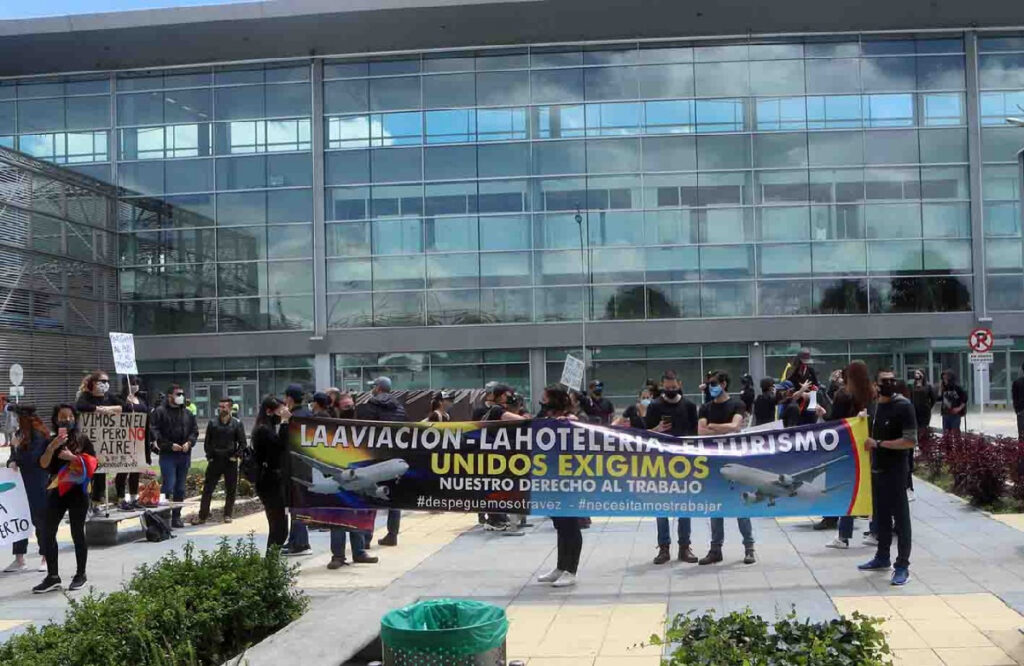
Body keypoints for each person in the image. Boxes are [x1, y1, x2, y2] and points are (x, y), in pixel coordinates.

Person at [858, 368, 917, 586]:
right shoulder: (875, 406)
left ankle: (902, 566)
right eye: (884, 381)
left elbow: (910, 441)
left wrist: (880, 444)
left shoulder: (903, 406)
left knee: (901, 520)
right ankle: (882, 557)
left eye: (893, 380)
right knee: (880, 517)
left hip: (896, 471)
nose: (889, 384)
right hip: (877, 471)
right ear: (875, 385)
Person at [33, 404, 97, 593]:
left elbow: (93, 464)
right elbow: (43, 464)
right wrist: (51, 448)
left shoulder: (82, 439)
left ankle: (80, 574)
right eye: (62, 417)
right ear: (55, 419)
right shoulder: (50, 440)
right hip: (56, 491)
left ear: (75, 419)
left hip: (78, 492)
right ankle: (53, 576)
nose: (67, 420)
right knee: (47, 532)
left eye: (70, 417)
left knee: (77, 532)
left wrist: (73, 458)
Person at [697, 371, 755, 565]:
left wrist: (713, 426)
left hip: (736, 461)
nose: (710, 387)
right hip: (713, 463)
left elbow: (736, 427)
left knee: (741, 505)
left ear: (723, 384)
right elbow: (701, 432)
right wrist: (722, 427)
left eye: (713, 383)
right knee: (715, 507)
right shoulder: (705, 407)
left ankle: (749, 547)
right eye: (708, 384)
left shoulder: (737, 404)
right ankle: (715, 549)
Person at [645, 370, 698, 565]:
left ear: (679, 384)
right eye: (667, 388)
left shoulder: (690, 406)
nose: (670, 390)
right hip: (660, 462)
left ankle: (685, 547)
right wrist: (657, 430)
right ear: (661, 386)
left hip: (684, 462)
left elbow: (696, 435)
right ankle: (664, 547)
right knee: (661, 505)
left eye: (673, 387)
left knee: (684, 505)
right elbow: (644, 434)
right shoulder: (654, 406)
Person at [535, 384, 582, 588]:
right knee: (560, 525)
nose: (543, 402)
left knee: (571, 524)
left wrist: (565, 422)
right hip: (551, 479)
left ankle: (571, 570)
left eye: (545, 398)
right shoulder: (546, 417)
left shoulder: (571, 420)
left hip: (569, 480)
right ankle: (560, 567)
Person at [823, 361, 874, 547]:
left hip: (848, 447)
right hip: (869, 446)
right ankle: (875, 531)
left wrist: (823, 413)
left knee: (848, 491)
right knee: (870, 490)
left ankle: (844, 536)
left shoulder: (843, 395)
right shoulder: (872, 394)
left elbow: (834, 421)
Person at [357, 377, 407, 546]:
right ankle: (392, 534)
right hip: (394, 456)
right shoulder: (400, 407)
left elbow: (362, 429)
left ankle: (366, 538)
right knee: (393, 496)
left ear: (378, 388)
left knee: (370, 495)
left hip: (374, 456)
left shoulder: (370, 405)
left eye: (373, 387)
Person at [4, 406, 51, 574]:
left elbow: (33, 459)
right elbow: (14, 457)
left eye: (15, 418)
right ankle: (19, 558)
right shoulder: (19, 435)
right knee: (19, 518)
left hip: (37, 482)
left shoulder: (38, 435)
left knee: (40, 519)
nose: (12, 422)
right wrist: (12, 461)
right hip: (20, 483)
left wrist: (17, 450)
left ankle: (46, 557)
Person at [191, 397, 246, 526]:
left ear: (230, 408)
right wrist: (209, 456)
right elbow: (207, 442)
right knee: (208, 489)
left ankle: (228, 514)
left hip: (230, 461)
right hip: (215, 460)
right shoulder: (213, 423)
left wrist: (236, 455)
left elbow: (243, 443)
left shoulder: (237, 423)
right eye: (220, 406)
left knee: (231, 489)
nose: (221, 409)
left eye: (224, 407)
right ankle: (202, 516)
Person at [150, 384, 199, 528]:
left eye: (182, 394)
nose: (181, 397)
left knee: (180, 488)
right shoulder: (160, 412)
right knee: (168, 485)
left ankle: (176, 517)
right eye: (178, 394)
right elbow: (154, 432)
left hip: (184, 454)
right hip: (168, 455)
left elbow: (194, 431)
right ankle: (163, 515)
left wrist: (189, 443)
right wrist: (169, 445)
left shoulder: (187, 413)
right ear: (170, 396)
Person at [75, 370, 122, 515]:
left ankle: (96, 503)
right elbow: (80, 406)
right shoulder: (85, 397)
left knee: (100, 476)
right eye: (102, 381)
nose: (105, 384)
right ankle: (83, 505)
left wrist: (106, 409)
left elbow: (124, 407)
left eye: (107, 381)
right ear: (93, 383)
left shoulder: (110, 397)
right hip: (87, 444)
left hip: (104, 445)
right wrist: (98, 409)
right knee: (86, 476)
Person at [252, 395, 290, 554]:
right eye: (279, 411)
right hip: (268, 481)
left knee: (280, 525)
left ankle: (273, 558)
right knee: (278, 526)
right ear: (269, 411)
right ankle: (271, 560)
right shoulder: (263, 430)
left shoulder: (266, 427)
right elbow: (278, 447)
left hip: (272, 479)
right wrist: (285, 422)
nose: (282, 414)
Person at [279, 384, 314, 556]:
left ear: (290, 399)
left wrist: (285, 421)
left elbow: (284, 441)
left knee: (297, 505)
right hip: (305, 467)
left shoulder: (294, 418)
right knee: (297, 505)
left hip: (295, 468)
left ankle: (300, 543)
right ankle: (295, 540)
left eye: (286, 398)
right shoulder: (308, 415)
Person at [116, 375, 151, 510]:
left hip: (139, 438)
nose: (135, 385)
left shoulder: (141, 399)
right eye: (132, 383)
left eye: (137, 383)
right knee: (123, 469)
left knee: (136, 469)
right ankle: (120, 498)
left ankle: (133, 498)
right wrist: (126, 402)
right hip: (125, 438)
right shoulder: (120, 399)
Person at [1013, 363, 1024, 441]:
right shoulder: (1017, 382)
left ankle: (1021, 451)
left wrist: (1017, 410)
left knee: (1022, 434)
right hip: (1021, 410)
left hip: (1021, 410)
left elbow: (1014, 398)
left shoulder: (1017, 382)